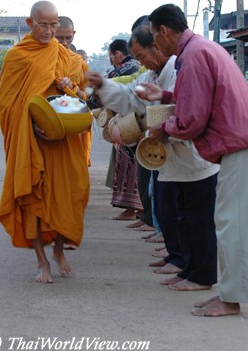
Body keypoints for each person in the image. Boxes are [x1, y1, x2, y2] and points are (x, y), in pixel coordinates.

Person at [137, 3, 248, 316]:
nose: (157, 47)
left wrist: (163, 130)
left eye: (156, 40)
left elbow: (193, 119)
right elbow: (195, 98)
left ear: (164, 30)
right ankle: (228, 293)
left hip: (237, 144)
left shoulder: (194, 55)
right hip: (234, 142)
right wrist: (164, 97)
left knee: (231, 225)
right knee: (228, 222)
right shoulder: (200, 49)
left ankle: (230, 298)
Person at [86, 25, 220, 285]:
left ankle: (200, 274)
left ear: (157, 45)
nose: (139, 61)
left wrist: (164, 129)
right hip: (170, 156)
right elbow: (128, 97)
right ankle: (186, 267)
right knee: (177, 213)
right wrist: (103, 84)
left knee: (197, 219)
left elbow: (187, 110)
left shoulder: (183, 65)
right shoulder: (152, 73)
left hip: (194, 157)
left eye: (141, 55)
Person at [0, 1, 90, 283]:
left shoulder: (69, 59)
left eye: (54, 25)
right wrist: (32, 124)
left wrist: (69, 87)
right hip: (32, 141)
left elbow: (82, 101)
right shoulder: (17, 57)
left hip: (62, 142)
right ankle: (42, 262)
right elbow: (7, 105)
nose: (50, 31)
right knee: (33, 199)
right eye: (44, 25)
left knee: (72, 194)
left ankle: (60, 250)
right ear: (30, 23)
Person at [55, 16, 92, 251]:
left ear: (74, 35)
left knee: (76, 184)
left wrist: (74, 89)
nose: (65, 42)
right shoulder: (41, 58)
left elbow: (88, 97)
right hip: (49, 127)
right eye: (61, 38)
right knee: (53, 186)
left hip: (73, 130)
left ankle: (69, 232)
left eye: (68, 38)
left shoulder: (78, 62)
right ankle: (55, 232)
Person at [105, 39, 143, 221]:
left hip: (129, 124)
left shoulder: (118, 71)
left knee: (129, 168)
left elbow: (102, 96)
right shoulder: (141, 68)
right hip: (142, 124)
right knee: (142, 169)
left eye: (111, 57)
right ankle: (142, 211)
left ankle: (130, 210)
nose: (112, 61)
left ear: (118, 54)